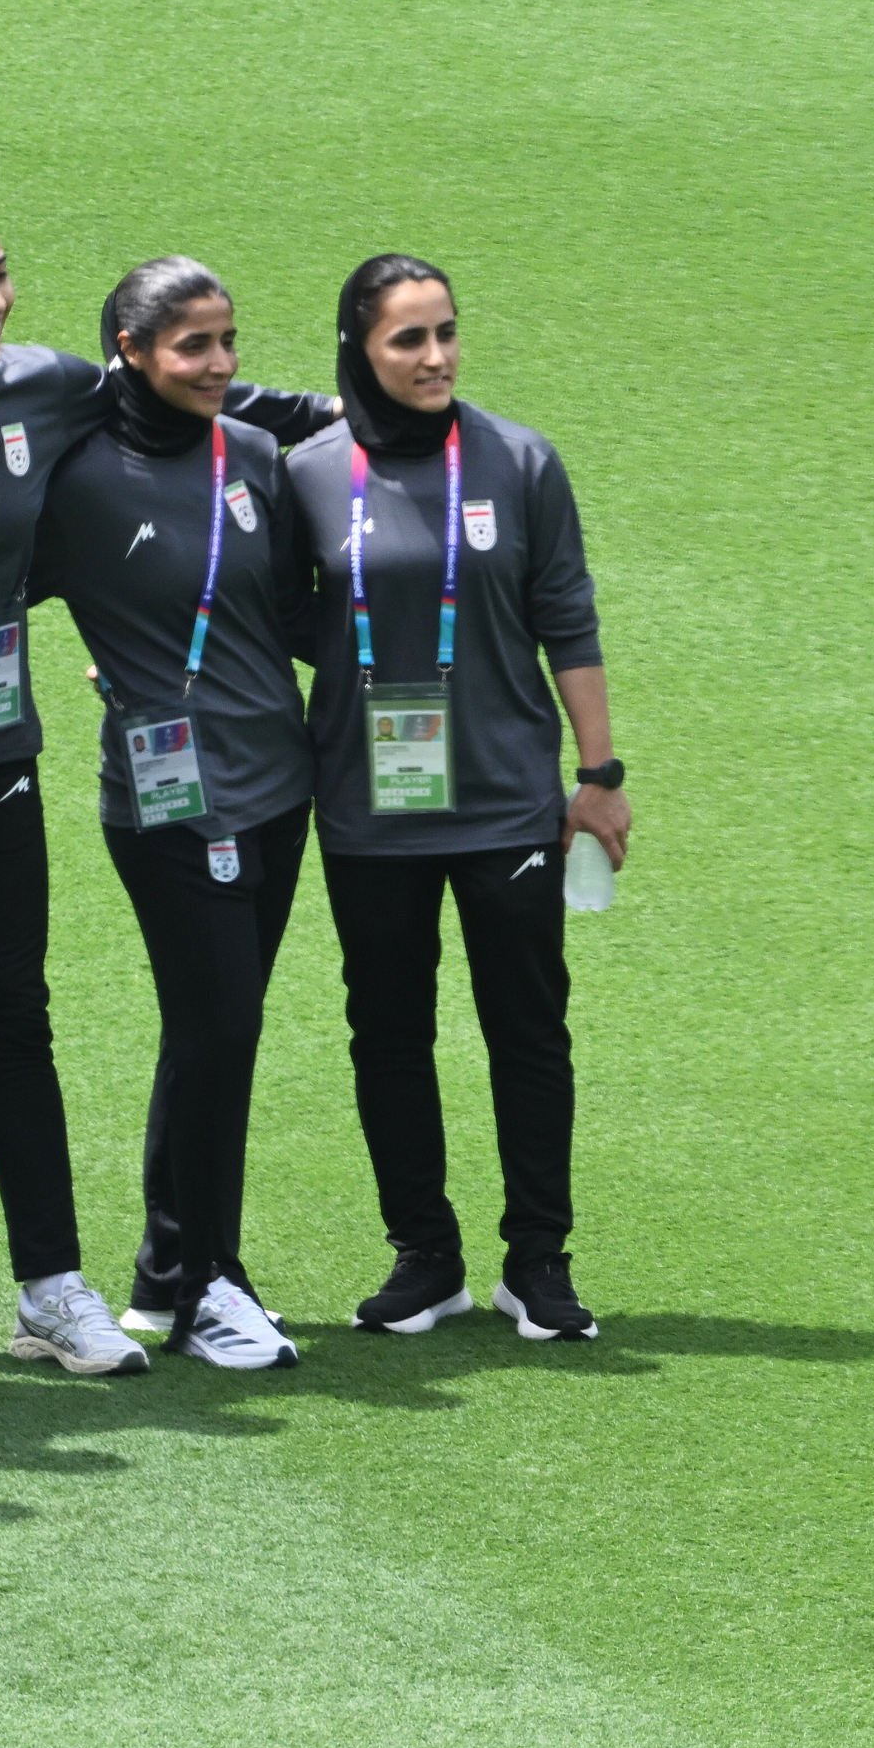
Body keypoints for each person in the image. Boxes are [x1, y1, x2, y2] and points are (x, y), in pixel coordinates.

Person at [0, 201, 336, 1374]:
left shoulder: (47, 384)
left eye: (0, 277)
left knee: (13, 1015)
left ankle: (51, 1284)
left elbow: (192, 392)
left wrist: (347, 417)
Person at [280, 255, 628, 1342]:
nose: (433, 358)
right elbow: (271, 619)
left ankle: (540, 1260)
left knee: (528, 1030)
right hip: (367, 806)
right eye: (406, 340)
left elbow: (565, 620)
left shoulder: (520, 461)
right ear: (360, 350)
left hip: (508, 802)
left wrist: (600, 774)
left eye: (446, 333)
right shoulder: (305, 474)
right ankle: (424, 1257)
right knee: (387, 1032)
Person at [31, 260, 320, 1369]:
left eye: (228, 341)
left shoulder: (251, 456)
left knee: (227, 1036)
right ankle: (188, 1281)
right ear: (131, 349)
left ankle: (198, 1268)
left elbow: (292, 610)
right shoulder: (81, 478)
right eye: (192, 345)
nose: (218, 364)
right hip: (167, 802)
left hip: (277, 785)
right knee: (216, 1024)